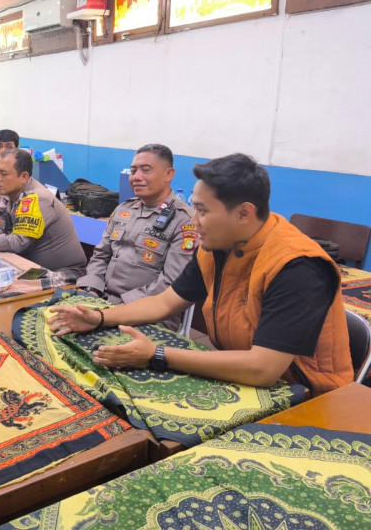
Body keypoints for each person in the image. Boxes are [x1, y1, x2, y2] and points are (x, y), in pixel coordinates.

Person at [49, 153, 352, 396]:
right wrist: (100, 318)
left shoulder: (297, 266)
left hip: (308, 396)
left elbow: (263, 369)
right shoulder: (219, 244)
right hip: (243, 376)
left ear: (244, 213)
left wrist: (156, 354)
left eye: (203, 211)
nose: (193, 222)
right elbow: (165, 302)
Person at [75, 144, 197, 328]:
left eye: (146, 170)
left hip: (149, 314)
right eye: (133, 171)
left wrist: (116, 310)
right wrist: (92, 289)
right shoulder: (123, 209)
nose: (136, 177)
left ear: (169, 174)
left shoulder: (185, 221)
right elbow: (101, 255)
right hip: (101, 298)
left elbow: (171, 283)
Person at [0, 148, 87, 278]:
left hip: (62, 272)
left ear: (24, 176)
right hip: (30, 265)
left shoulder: (37, 199)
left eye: (4, 174)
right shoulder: (5, 192)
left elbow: (18, 242)